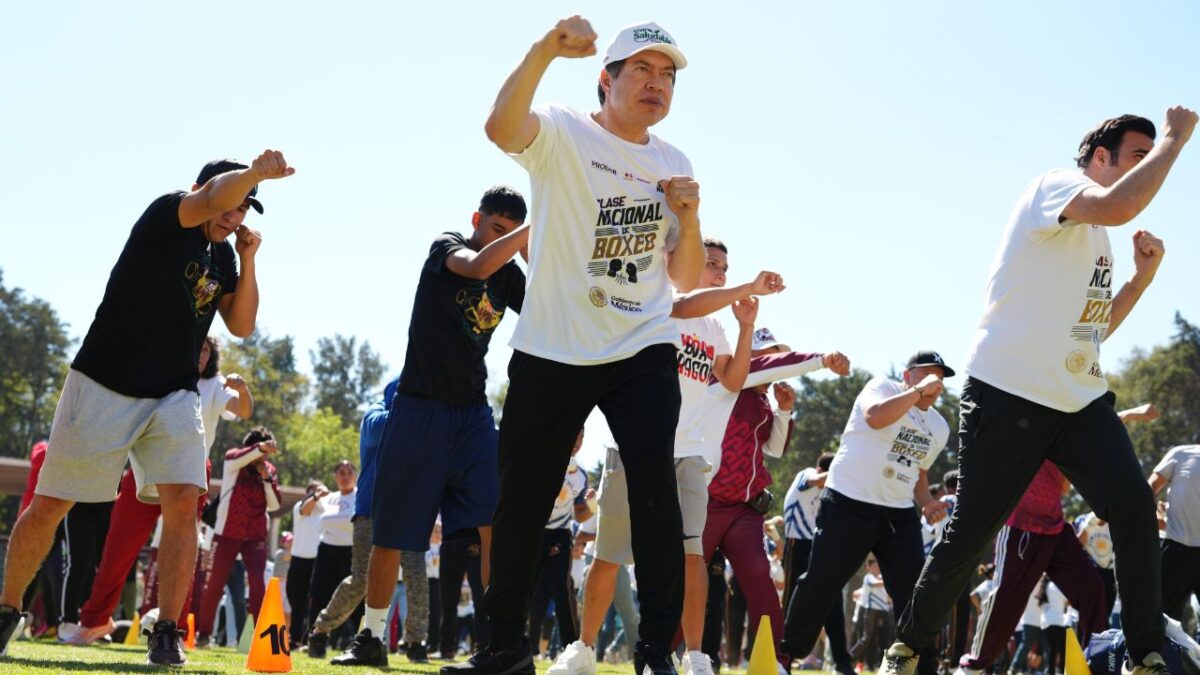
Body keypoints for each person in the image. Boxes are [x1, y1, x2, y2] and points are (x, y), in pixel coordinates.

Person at [882, 108, 1197, 675]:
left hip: (1077, 399)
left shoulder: (1096, 237)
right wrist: (1173, 140)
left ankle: (1144, 651)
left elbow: (1092, 331)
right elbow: (1123, 204)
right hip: (1008, 390)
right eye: (1137, 157)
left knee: (1131, 505)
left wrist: (1140, 280)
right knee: (971, 531)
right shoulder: (1055, 186)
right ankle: (907, 647)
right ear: (1100, 158)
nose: (1147, 167)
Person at [460, 16, 706, 675]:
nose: (657, 84)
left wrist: (688, 216)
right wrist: (543, 48)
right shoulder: (566, 130)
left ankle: (655, 652)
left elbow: (682, 278)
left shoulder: (674, 162)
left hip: (642, 344)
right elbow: (500, 128)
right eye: (642, 71)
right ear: (607, 79)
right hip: (553, 345)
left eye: (668, 75)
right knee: (520, 499)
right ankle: (504, 649)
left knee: (654, 490)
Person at [0, 151, 291, 665]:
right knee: (51, 505)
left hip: (173, 394)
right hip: (105, 383)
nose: (235, 214)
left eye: (246, 207)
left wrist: (248, 261)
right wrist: (253, 174)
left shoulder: (223, 257)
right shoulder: (170, 213)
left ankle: (167, 631)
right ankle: (5, 609)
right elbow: (210, 199)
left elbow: (241, 325)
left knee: (185, 502)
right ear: (203, 192)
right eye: (231, 203)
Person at [549, 237, 785, 675]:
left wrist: (746, 326)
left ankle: (694, 655)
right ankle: (582, 648)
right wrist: (744, 288)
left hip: (690, 456)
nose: (720, 272)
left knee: (692, 556)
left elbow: (733, 382)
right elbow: (684, 306)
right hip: (634, 446)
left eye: (724, 268)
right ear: (681, 262)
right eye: (712, 263)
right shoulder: (656, 301)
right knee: (609, 553)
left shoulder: (714, 330)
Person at [348, 186, 529, 667]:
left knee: (494, 524)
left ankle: (498, 640)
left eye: (511, 234)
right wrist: (530, 231)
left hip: (472, 416)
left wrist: (537, 247)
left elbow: (549, 308)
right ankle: (369, 639)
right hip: (419, 410)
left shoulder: (511, 274)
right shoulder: (448, 246)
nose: (503, 241)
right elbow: (476, 267)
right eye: (496, 229)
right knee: (393, 531)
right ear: (476, 219)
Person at [782, 352, 953, 675]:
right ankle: (786, 655)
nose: (935, 381)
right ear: (907, 375)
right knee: (820, 582)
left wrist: (926, 503)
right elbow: (875, 417)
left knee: (916, 593)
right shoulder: (881, 388)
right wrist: (917, 393)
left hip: (898, 515)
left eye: (940, 377)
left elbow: (919, 474)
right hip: (848, 502)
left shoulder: (939, 427)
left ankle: (920, 666)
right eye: (928, 373)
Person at [75, 335, 251, 644]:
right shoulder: (158, 373)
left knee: (184, 546)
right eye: (195, 346)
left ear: (212, 356)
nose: (200, 353)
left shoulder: (214, 385)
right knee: (117, 548)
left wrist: (244, 391)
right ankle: (93, 621)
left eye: (206, 349)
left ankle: (174, 628)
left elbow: (244, 410)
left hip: (191, 470)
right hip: (144, 467)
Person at [707, 329, 850, 672]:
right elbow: (775, 366)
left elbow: (773, 449)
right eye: (764, 357)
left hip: (745, 508)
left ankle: (774, 662)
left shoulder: (762, 400)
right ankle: (663, 653)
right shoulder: (725, 384)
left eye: (774, 356)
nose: (771, 368)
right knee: (688, 580)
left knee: (760, 578)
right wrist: (821, 360)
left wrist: (784, 412)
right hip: (706, 502)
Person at [952, 461, 1106, 675]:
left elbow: (1063, 488)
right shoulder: (1015, 429)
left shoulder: (1064, 433)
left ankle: (1097, 663)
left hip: (1055, 527)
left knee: (1092, 589)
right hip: (1020, 526)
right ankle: (972, 667)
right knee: (1005, 599)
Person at [194, 427, 281, 646]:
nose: (264, 456)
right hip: (227, 533)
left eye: (267, 452)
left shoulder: (269, 469)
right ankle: (204, 634)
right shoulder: (234, 459)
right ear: (252, 447)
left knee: (257, 582)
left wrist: (266, 478)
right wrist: (259, 448)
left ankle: (260, 638)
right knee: (214, 584)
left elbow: (275, 504)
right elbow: (238, 457)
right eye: (262, 450)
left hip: (255, 536)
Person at [782, 453, 853, 675]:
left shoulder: (830, 490)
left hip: (817, 546)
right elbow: (814, 481)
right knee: (793, 603)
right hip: (798, 546)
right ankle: (784, 658)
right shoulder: (810, 473)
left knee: (831, 602)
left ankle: (842, 662)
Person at [528, 430, 593, 658]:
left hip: (561, 535)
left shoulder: (581, 476)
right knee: (529, 590)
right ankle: (518, 645)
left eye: (580, 438)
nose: (576, 443)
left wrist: (592, 504)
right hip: (535, 532)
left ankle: (570, 650)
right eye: (572, 436)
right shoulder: (542, 462)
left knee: (562, 592)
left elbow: (579, 515)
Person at [305, 461, 358, 650]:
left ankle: (352, 640)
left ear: (355, 475)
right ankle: (315, 638)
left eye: (349, 472)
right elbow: (305, 511)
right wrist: (317, 495)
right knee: (319, 595)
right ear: (335, 477)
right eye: (341, 473)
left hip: (352, 552)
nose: (345, 476)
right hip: (327, 551)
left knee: (351, 597)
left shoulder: (360, 495)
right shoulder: (329, 498)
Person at [1150, 442, 1200, 621]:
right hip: (1177, 549)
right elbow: (1150, 488)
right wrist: (1146, 518)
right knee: (1158, 616)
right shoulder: (1181, 453)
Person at [289, 480, 326, 645]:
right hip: (298, 561)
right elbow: (306, 509)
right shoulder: (299, 507)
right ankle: (294, 637)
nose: (315, 496)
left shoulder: (325, 511)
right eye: (311, 493)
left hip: (317, 561)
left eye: (317, 492)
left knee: (315, 602)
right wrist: (317, 495)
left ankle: (309, 638)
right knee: (296, 601)